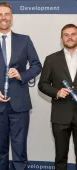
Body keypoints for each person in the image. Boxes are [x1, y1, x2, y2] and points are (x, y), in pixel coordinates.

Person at [0, 2, 42, 170]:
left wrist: (22, 75)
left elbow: (36, 65)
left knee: (20, 152)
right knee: (0, 152)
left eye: (6, 14)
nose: (3, 18)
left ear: (11, 17)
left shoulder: (24, 40)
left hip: (19, 105)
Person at [38, 24, 77, 170]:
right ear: (61, 39)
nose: (70, 37)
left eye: (73, 34)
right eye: (66, 35)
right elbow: (42, 84)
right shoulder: (51, 59)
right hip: (60, 115)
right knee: (60, 157)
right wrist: (56, 92)